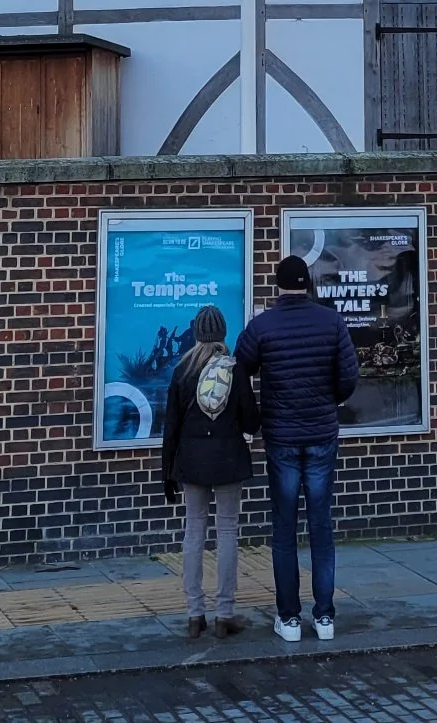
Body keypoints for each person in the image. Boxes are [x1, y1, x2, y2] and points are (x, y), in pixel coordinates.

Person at [235, 252, 359, 643]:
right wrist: (328, 401)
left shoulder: (262, 326)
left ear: (277, 285)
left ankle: (289, 619)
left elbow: (239, 371)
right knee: (321, 526)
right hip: (321, 435)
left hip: (282, 438)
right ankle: (324, 618)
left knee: (284, 529)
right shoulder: (332, 321)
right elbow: (349, 376)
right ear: (308, 284)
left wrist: (255, 419)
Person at [158, 305, 257, 639]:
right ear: (223, 334)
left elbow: (170, 427)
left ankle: (194, 613)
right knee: (227, 531)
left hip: (190, 461)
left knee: (194, 531)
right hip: (228, 460)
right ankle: (224, 613)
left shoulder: (182, 371)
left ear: (197, 334)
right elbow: (251, 422)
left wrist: (167, 472)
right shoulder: (234, 369)